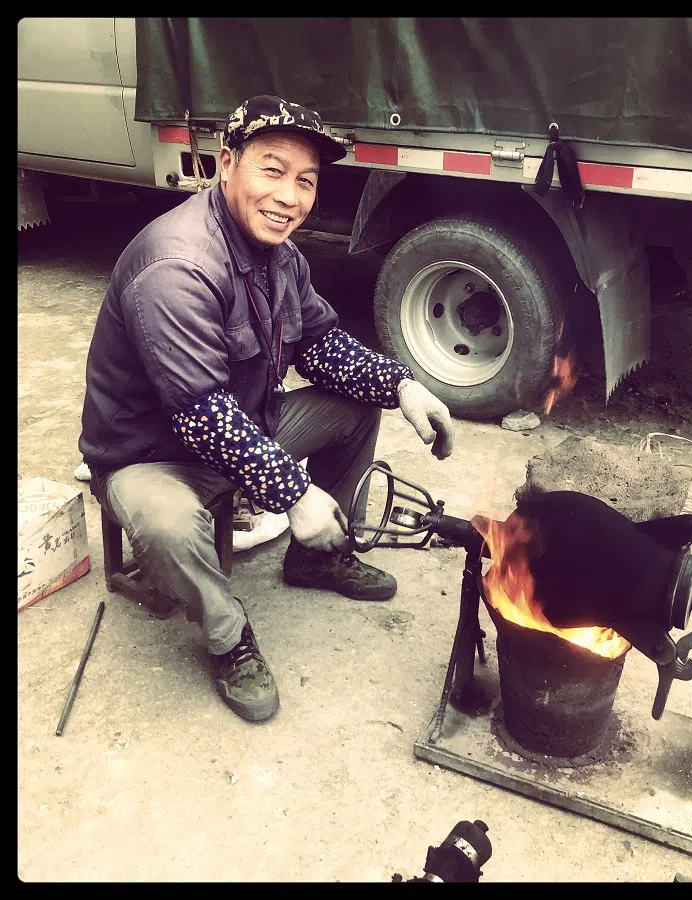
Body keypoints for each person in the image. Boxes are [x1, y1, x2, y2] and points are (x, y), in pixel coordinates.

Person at [79, 95, 454, 723]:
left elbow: (321, 343)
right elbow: (202, 414)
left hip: (246, 424)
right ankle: (229, 637)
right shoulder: (178, 266)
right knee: (169, 525)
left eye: (306, 180)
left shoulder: (281, 256)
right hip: (151, 456)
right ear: (227, 164)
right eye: (272, 170)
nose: (289, 196)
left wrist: (401, 386)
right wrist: (295, 494)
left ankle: (315, 558)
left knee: (355, 408)